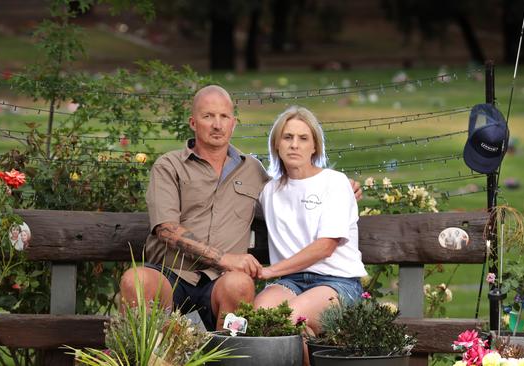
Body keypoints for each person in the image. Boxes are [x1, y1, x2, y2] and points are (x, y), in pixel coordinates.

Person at [120, 86, 362, 331]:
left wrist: (345, 189)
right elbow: (166, 230)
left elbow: (302, 188)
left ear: (233, 124)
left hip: (222, 281)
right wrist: (224, 258)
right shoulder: (170, 166)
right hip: (172, 274)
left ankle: (228, 358)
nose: (217, 125)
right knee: (136, 280)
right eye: (208, 116)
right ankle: (146, 355)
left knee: (241, 287)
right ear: (193, 122)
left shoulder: (252, 171)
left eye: (224, 117)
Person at [254, 106, 368, 339]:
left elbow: (325, 246)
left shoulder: (334, 183)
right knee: (262, 316)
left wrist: (270, 271)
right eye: (287, 137)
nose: (294, 144)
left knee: (290, 318)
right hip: (290, 282)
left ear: (315, 146)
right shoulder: (268, 192)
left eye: (303, 138)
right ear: (277, 143)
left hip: (337, 283)